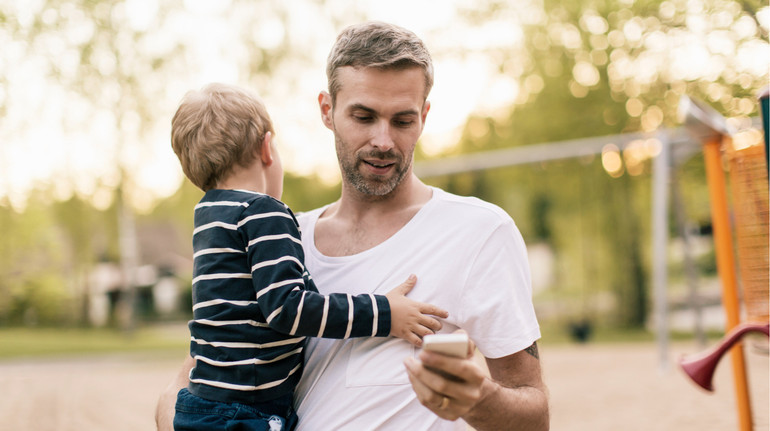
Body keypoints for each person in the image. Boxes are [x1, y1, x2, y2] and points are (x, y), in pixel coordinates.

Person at [158, 21, 549, 430]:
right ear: (327, 110)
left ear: (425, 116)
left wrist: (478, 399)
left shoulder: (479, 232)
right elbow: (189, 382)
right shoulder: (277, 235)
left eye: (402, 120)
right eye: (363, 116)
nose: (383, 140)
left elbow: (534, 416)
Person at [166, 82, 448, 430]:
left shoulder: (208, 215)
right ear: (267, 148)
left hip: (202, 403)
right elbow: (288, 308)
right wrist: (384, 314)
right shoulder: (263, 212)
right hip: (246, 412)